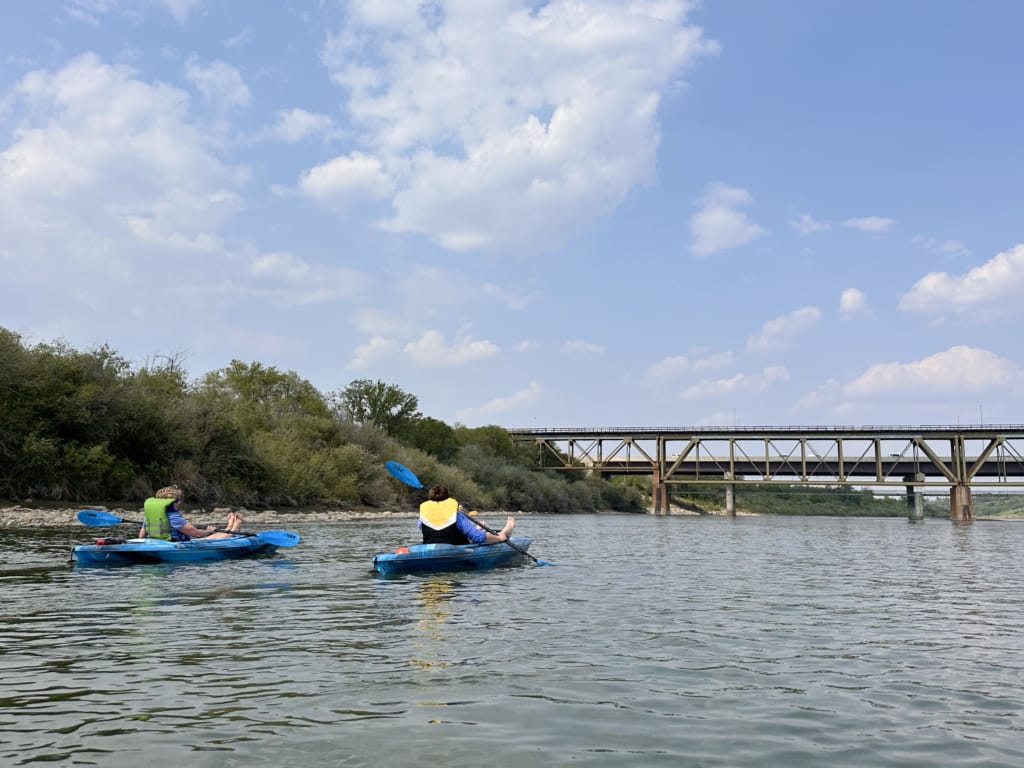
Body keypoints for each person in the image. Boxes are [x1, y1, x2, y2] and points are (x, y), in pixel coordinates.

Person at [139, 485, 243, 541]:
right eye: (178, 500)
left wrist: (141, 544)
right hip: (174, 545)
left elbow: (142, 534)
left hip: (157, 543)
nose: (180, 502)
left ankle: (229, 527)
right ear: (172, 502)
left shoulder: (151, 513)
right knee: (211, 538)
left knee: (209, 537)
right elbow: (197, 534)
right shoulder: (174, 517)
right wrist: (209, 531)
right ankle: (234, 529)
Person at [418, 484, 514, 545]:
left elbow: (438, 532)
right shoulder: (457, 515)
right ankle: (503, 534)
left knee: (471, 532)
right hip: (456, 549)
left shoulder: (422, 517)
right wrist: (499, 538)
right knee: (481, 536)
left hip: (430, 547)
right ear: (448, 498)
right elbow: (478, 538)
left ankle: (477, 529)